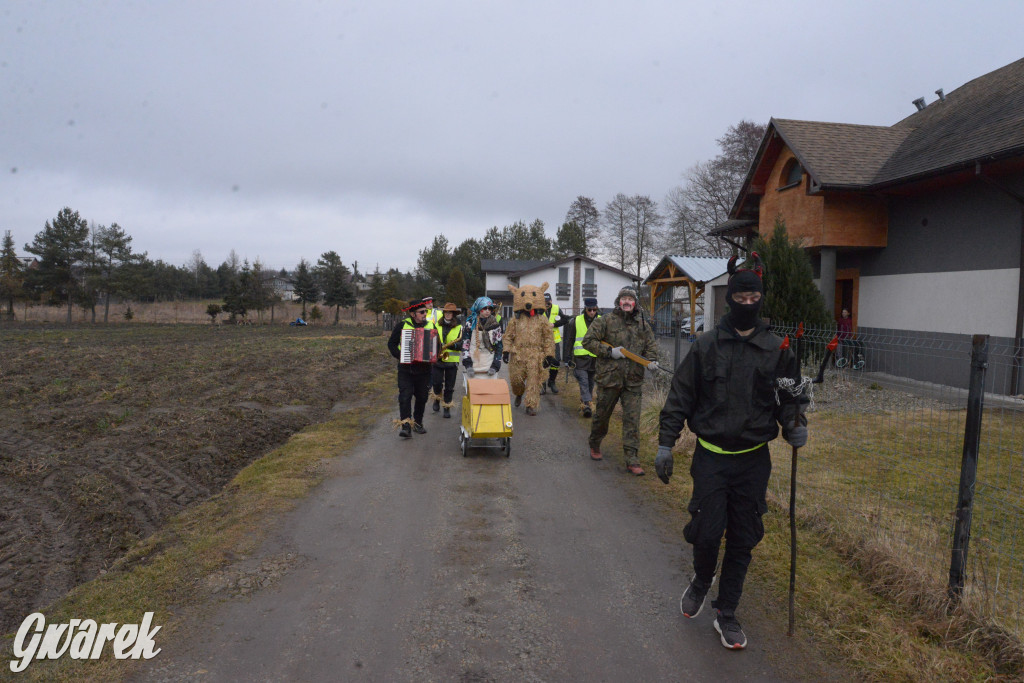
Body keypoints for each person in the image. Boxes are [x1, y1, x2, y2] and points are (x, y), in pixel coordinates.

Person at [654, 260, 808, 650]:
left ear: (760, 299)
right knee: (706, 533)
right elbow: (680, 396)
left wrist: (794, 424)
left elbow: (787, 398)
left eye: (753, 296)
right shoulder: (706, 345)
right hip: (711, 458)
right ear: (730, 300)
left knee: (743, 537)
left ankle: (728, 612)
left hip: (753, 460)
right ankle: (702, 579)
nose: (747, 301)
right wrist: (665, 443)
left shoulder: (777, 349)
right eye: (740, 296)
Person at [581, 286, 660, 474]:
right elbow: (588, 341)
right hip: (609, 379)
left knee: (632, 420)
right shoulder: (605, 321)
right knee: (601, 417)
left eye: (630, 299)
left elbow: (650, 347)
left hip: (633, 381)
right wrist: (609, 352)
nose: (626, 302)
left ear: (635, 303)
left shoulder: (642, 325)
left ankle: (632, 459)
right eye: (623, 298)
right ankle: (595, 443)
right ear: (618, 301)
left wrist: (652, 361)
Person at [386, 298, 437, 438]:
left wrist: (434, 354)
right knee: (405, 396)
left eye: (425, 311)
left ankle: (418, 423)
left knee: (422, 397)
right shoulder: (403, 326)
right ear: (413, 314)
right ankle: (406, 426)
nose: (424, 314)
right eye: (421, 312)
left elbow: (438, 344)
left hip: (424, 370)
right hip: (406, 370)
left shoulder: (431, 326)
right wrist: (401, 356)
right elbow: (391, 344)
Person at [562, 297, 601, 417]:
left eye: (594, 309)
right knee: (583, 381)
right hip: (580, 359)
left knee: (590, 383)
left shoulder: (601, 320)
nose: (592, 312)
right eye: (590, 310)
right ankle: (588, 403)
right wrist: (567, 357)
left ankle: (585, 406)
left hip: (595, 358)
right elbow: (570, 339)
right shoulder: (576, 321)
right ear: (585, 308)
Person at [431, 302, 462, 418]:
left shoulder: (459, 327)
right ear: (444, 313)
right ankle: (437, 399)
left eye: (450, 312)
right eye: (446, 312)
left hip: (452, 361)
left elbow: (462, 344)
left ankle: (447, 406)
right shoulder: (436, 325)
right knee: (437, 383)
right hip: (437, 359)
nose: (448, 314)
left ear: (454, 314)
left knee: (449, 387)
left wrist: (452, 346)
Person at [461, 297, 503, 377]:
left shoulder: (495, 325)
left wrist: (495, 366)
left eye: (490, 309)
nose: (488, 311)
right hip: (473, 363)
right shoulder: (470, 324)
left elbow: (499, 347)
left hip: (489, 363)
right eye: (485, 308)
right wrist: (468, 365)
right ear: (479, 309)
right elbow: (465, 345)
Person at [541, 292, 572, 395]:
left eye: (548, 301)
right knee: (543, 363)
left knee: (556, 362)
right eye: (545, 302)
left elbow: (565, 319)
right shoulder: (538, 310)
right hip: (542, 341)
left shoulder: (556, 308)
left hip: (555, 340)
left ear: (551, 301)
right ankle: (542, 385)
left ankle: (552, 381)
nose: (547, 303)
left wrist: (554, 324)